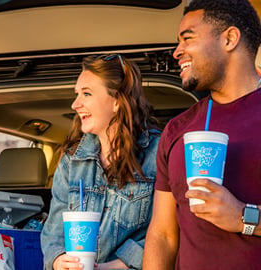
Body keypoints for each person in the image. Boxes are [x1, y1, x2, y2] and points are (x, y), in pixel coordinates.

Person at [143, 0, 261, 269]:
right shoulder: (177, 130)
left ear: (230, 38)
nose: (176, 52)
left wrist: (244, 216)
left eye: (188, 39)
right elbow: (163, 235)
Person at [41, 54, 160, 270]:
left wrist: (114, 266)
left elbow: (167, 231)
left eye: (86, 93)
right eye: (77, 94)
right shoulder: (71, 160)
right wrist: (59, 261)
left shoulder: (158, 153)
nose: (75, 104)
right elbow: (54, 231)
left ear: (117, 101)